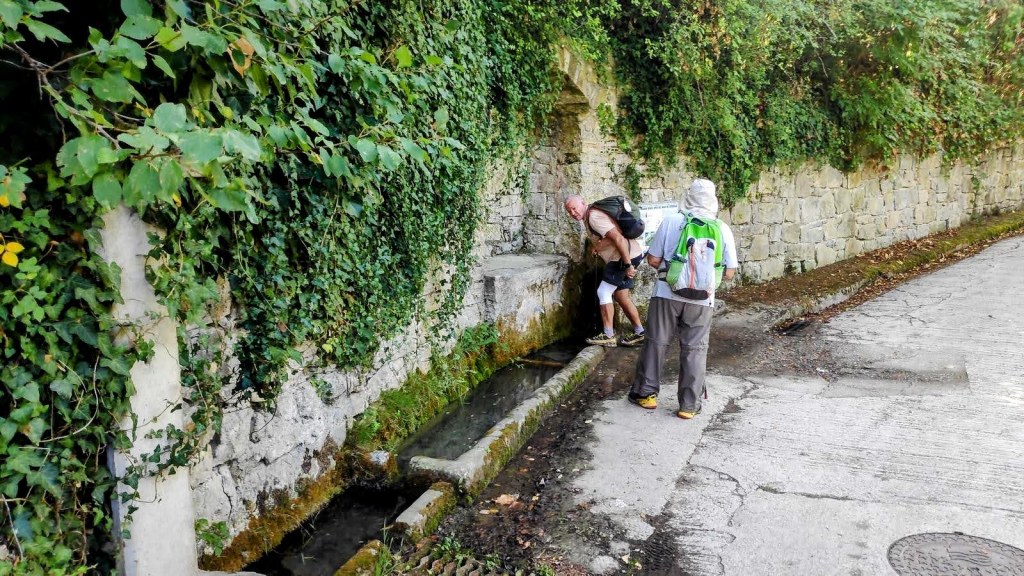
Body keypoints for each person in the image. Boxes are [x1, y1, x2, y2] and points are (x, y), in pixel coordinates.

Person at [627, 178, 739, 417]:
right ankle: (689, 405)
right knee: (695, 349)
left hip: (666, 294)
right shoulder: (722, 228)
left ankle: (646, 394)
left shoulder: (672, 221)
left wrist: (678, 270)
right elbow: (729, 272)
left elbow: (653, 260)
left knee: (656, 343)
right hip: (702, 301)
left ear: (688, 196)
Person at [563, 195, 646, 347]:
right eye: (569, 211)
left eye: (574, 208)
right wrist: (598, 247)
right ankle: (640, 332)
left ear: (583, 203)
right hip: (633, 254)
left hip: (622, 258)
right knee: (621, 296)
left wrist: (628, 265)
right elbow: (612, 235)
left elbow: (618, 238)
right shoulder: (591, 216)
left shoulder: (594, 217)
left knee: (603, 292)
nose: (573, 213)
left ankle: (608, 335)